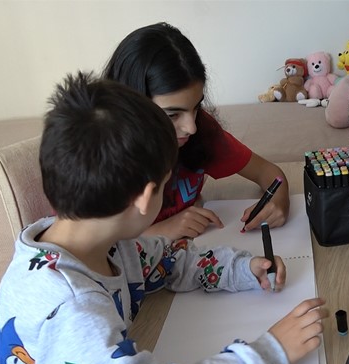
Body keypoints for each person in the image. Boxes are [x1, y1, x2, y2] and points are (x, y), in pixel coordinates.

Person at [0, 72, 327, 364]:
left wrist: (241, 269)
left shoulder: (96, 241)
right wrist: (270, 354)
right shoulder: (73, 311)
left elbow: (168, 260)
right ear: (146, 197)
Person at [103, 22, 290, 240]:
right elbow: (87, 243)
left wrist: (279, 202)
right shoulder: (100, 158)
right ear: (131, 110)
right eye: (172, 115)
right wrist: (162, 230)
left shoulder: (202, 129)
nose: (191, 127)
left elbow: (268, 172)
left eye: (196, 107)